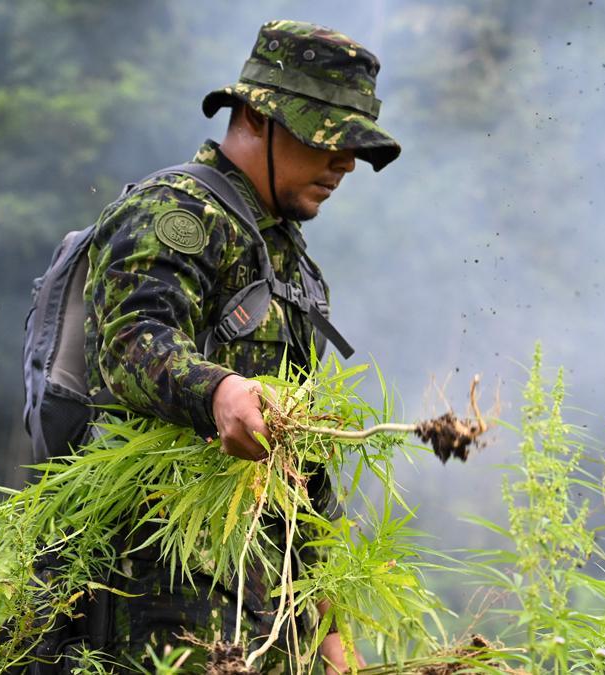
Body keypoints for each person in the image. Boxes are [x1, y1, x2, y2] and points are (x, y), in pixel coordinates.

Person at [75, 19, 401, 673]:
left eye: (352, 149)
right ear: (255, 116)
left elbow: (299, 466)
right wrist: (221, 390)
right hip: (156, 602)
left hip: (263, 617)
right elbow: (133, 343)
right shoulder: (179, 215)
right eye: (327, 139)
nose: (343, 164)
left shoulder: (289, 262)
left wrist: (334, 638)